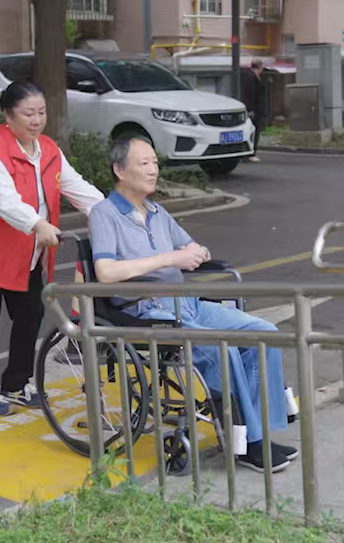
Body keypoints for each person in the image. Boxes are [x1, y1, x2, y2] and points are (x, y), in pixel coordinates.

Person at [88, 136, 297, 473]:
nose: (153, 170)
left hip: (185, 303)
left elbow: (193, 248)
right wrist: (170, 258)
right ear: (120, 171)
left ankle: (257, 434)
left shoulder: (157, 212)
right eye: (144, 163)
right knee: (225, 349)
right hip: (147, 311)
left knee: (265, 333)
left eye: (155, 162)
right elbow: (106, 272)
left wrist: (197, 252)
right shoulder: (105, 214)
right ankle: (249, 442)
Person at [0, 81, 104, 416]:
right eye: (28, 114)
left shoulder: (49, 149)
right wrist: (38, 224)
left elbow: (76, 186)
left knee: (30, 317)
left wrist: (111, 214)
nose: (37, 120)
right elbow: (5, 202)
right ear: (8, 115)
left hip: (29, 253)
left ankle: (16, 383)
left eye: (41, 112)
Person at [240, 58, 265, 163]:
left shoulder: (251, 76)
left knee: (253, 130)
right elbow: (250, 95)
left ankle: (249, 152)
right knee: (254, 130)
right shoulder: (251, 78)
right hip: (254, 109)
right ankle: (251, 153)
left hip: (254, 108)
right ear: (260, 67)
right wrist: (250, 109)